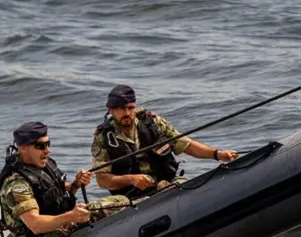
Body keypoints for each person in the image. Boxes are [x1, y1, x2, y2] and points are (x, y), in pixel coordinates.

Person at [0, 121, 130, 237]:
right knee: (117, 204)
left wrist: (76, 184)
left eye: (48, 144)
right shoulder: (16, 184)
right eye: (41, 146)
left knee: (121, 200)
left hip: (60, 221)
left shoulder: (42, 164)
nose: (47, 150)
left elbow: (55, 193)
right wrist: (71, 216)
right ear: (23, 148)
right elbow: (35, 224)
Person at [90, 84, 239, 199]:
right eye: (121, 109)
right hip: (131, 195)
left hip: (166, 182)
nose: (127, 113)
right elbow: (103, 180)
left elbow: (185, 145)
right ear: (110, 110)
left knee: (187, 190)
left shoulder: (152, 123)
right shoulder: (103, 138)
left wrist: (217, 154)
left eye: (130, 108)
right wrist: (132, 179)